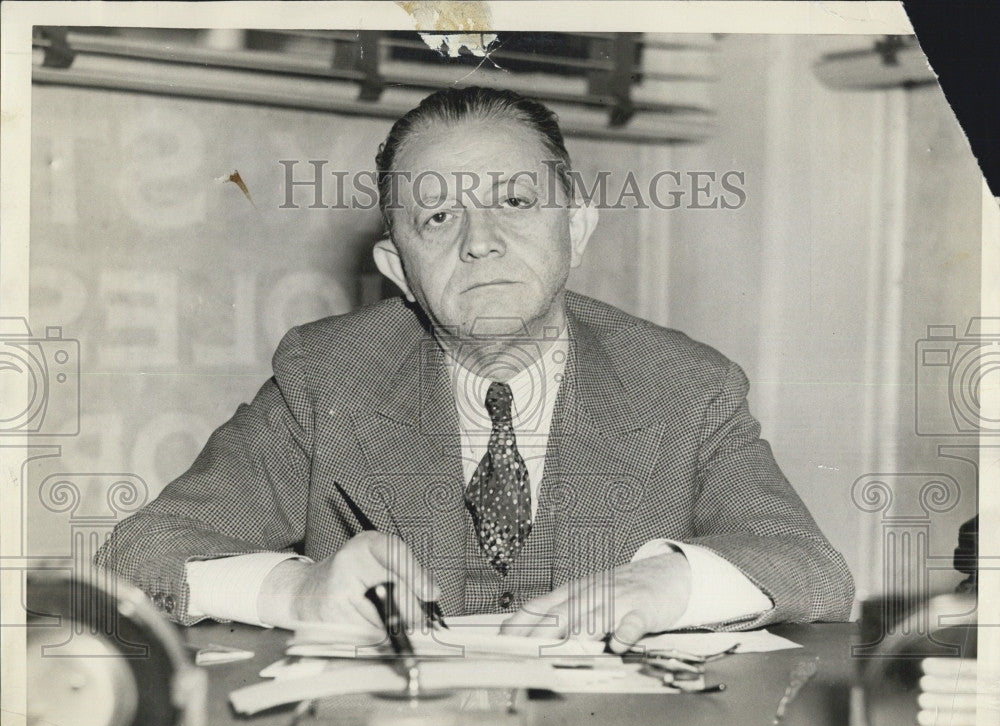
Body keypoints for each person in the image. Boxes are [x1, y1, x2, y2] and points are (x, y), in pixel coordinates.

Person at [95, 86, 854, 650]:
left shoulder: (688, 386)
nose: (479, 240)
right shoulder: (325, 377)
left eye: (515, 200)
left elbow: (811, 566)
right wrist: (299, 587)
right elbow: (138, 554)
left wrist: (670, 582)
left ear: (577, 227)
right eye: (437, 217)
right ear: (399, 266)